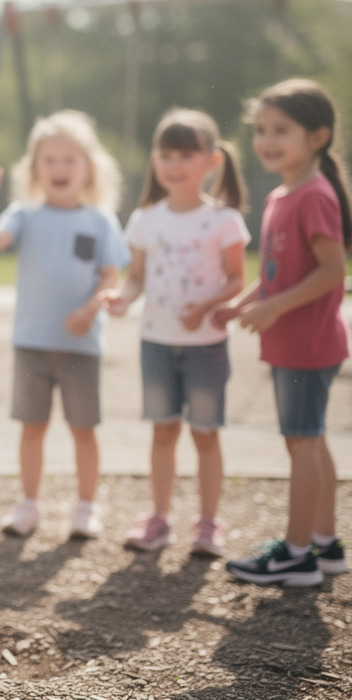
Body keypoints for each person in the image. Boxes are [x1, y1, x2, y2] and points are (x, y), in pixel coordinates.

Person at [214, 78, 352, 586]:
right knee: (312, 441)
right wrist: (245, 302)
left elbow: (331, 270)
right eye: (260, 130)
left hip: (306, 344)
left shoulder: (313, 196)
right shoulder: (284, 194)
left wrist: (273, 309)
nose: (267, 140)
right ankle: (326, 544)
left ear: (317, 137)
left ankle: (296, 555)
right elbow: (283, 270)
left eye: (281, 129)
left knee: (301, 444)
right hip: (297, 342)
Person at [0, 111, 130, 540]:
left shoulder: (100, 220)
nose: (59, 168)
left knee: (83, 430)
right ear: (35, 168)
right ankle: (29, 505)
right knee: (32, 428)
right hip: (31, 343)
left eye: (68, 159)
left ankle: (86, 509)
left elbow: (110, 276)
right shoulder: (26, 214)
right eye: (49, 160)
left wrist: (90, 308)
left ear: (88, 167)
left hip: (83, 347)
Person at [105, 108, 250, 556]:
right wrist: (125, 298)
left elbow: (236, 280)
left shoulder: (225, 220)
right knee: (163, 432)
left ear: (212, 161)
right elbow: (137, 278)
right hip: (157, 344)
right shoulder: (146, 219)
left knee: (205, 434)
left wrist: (206, 307)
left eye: (186, 154)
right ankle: (159, 519)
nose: (174, 164)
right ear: (155, 160)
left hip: (206, 346)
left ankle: (208, 525)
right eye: (166, 154)